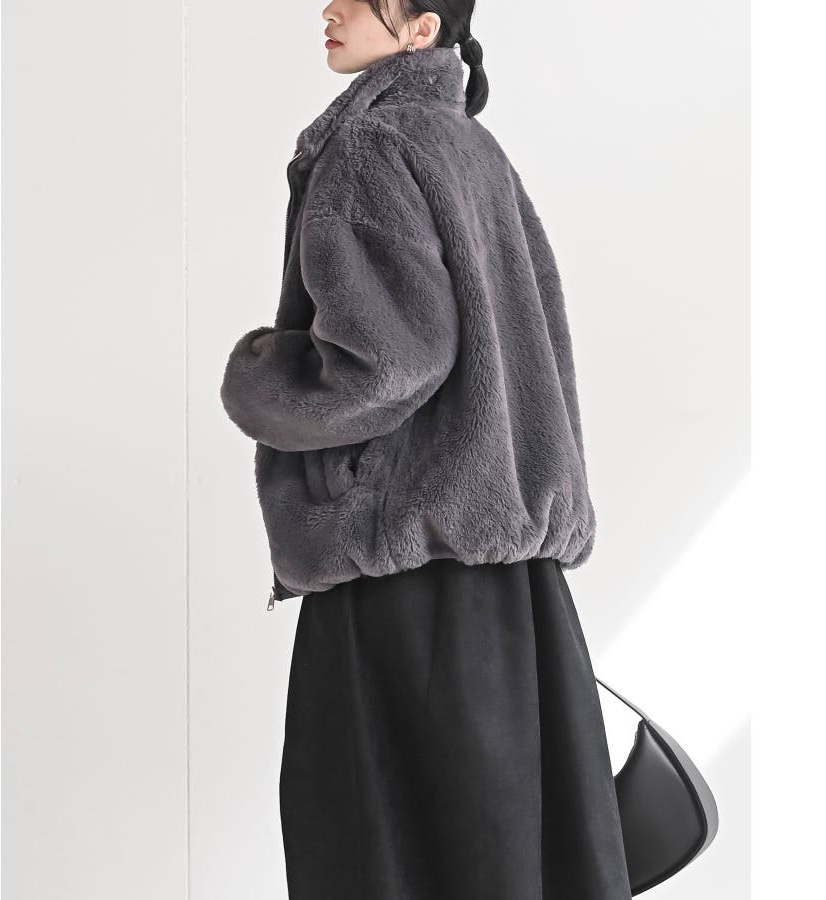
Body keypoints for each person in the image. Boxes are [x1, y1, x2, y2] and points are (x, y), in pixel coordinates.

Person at [220, 2, 632, 897]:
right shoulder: (474, 151)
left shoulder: (371, 148)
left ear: (422, 29)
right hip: (510, 590)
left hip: (403, 588)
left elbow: (385, 364)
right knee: (507, 866)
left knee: (382, 862)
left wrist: (259, 379)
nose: (330, 8)